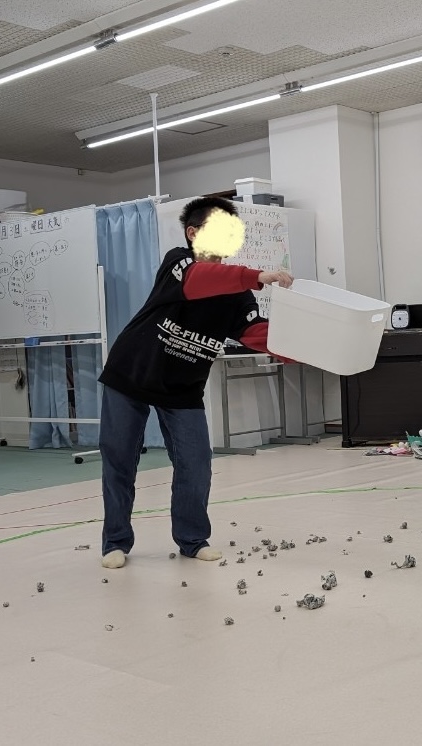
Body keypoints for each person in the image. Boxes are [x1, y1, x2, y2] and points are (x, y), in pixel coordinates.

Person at [98, 196, 294, 570]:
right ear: (193, 233)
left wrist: (301, 347)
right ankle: (115, 542)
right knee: (119, 460)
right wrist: (257, 275)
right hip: (131, 373)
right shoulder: (179, 262)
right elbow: (198, 282)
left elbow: (254, 332)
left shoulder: (238, 291)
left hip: (182, 387)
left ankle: (192, 540)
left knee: (196, 464)